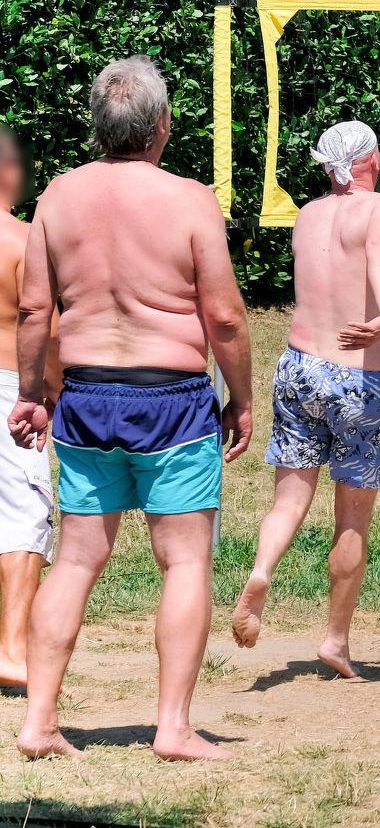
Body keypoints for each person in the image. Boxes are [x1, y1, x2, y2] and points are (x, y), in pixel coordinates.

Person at [9, 57, 255, 761]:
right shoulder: (189, 200)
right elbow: (227, 319)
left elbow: (35, 310)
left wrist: (33, 394)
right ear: (162, 127)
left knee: (78, 560)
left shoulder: (58, 196)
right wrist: (240, 399)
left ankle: (40, 722)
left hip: (85, 397)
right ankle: (173, 727)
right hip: (170, 401)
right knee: (184, 563)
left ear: (98, 126)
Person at [232, 122, 380, 677]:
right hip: (357, 379)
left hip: (299, 367)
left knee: (288, 502)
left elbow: (331, 290)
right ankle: (336, 639)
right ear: (368, 159)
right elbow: (378, 254)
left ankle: (263, 569)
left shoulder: (309, 214)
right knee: (352, 520)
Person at [0, 124, 54, 688]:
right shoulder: (22, 241)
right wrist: (51, 390)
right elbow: (46, 326)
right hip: (8, 387)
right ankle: (12, 651)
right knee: (24, 515)